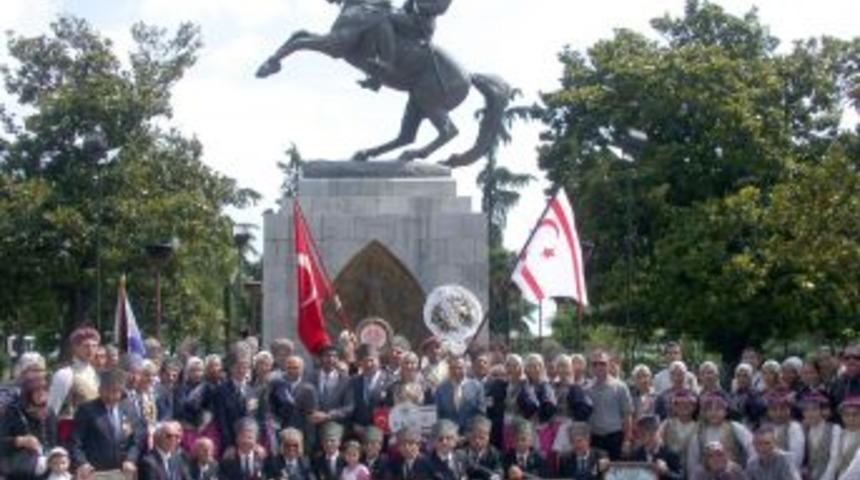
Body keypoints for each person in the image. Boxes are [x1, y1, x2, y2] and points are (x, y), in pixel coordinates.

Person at [70, 369, 144, 479]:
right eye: (107, 391)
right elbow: (75, 441)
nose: (111, 396)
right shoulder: (86, 410)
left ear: (121, 391)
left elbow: (136, 440)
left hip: (122, 472)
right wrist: (82, 463)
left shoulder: (129, 409)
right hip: (95, 472)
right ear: (99, 390)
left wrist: (130, 459)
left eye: (115, 391)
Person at [47, 327, 100, 442]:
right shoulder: (65, 374)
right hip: (72, 434)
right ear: (75, 348)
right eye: (86, 346)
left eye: (94, 346)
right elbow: (52, 410)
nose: (90, 350)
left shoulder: (95, 373)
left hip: (94, 434)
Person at [0, 377, 59, 480]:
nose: (41, 393)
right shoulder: (13, 412)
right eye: (36, 390)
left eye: (45, 390)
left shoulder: (49, 413)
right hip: (19, 472)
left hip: (45, 470)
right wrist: (19, 441)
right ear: (28, 393)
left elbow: (54, 441)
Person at [686, 394, 753, 476]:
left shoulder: (734, 427)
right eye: (709, 410)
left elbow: (751, 447)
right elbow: (692, 461)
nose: (713, 413)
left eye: (718, 409)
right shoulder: (699, 433)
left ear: (725, 411)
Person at [586, 350, 633, 460]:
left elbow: (627, 415)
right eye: (595, 364)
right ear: (591, 367)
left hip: (615, 438)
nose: (599, 366)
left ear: (609, 365)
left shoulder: (620, 387)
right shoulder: (587, 389)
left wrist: (626, 441)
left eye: (602, 363)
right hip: (595, 438)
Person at [269, 355, 318, 451]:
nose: (291, 371)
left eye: (295, 368)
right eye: (289, 368)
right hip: (281, 432)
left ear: (302, 369)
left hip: (300, 434)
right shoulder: (277, 385)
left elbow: (311, 415)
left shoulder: (309, 389)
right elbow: (271, 408)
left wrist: (309, 440)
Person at [347, 344, 390, 437]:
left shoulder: (389, 381)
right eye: (364, 361)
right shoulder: (353, 381)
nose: (368, 364)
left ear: (378, 360)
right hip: (358, 432)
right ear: (360, 363)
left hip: (381, 435)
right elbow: (348, 406)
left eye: (371, 360)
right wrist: (353, 425)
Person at [435, 355, 485, 434]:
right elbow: (439, 414)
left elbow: (481, 413)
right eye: (452, 368)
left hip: (470, 435)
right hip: (448, 435)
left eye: (460, 368)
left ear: (466, 368)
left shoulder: (477, 387)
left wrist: (471, 434)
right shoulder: (441, 389)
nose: (456, 371)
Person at [799, 391, 841, 480]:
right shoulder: (805, 430)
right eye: (806, 410)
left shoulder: (834, 429)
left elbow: (834, 459)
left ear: (822, 411)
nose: (810, 413)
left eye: (814, 409)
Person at [630, 415, 683, 480]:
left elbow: (680, 478)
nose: (639, 437)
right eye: (639, 433)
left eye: (643, 433)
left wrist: (666, 472)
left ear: (656, 432)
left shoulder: (671, 454)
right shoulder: (637, 454)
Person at [762, 391, 804, 470]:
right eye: (774, 409)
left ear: (789, 410)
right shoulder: (765, 428)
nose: (778, 413)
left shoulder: (794, 427)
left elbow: (796, 459)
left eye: (782, 409)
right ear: (768, 411)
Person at [824, 396, 860, 480]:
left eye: (855, 415)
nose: (851, 418)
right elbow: (833, 462)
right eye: (846, 415)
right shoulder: (839, 434)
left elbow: (856, 469)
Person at [460, 415, 503, 480]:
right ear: (469, 435)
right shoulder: (461, 452)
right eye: (474, 437)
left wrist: (495, 476)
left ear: (488, 437)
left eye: (481, 438)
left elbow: (499, 472)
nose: (477, 441)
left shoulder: (494, 453)